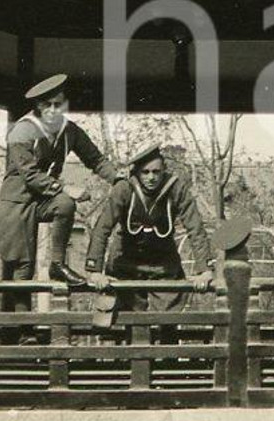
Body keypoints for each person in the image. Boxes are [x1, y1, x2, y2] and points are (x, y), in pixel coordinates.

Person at [0, 75, 120, 310]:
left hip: (43, 199)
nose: (53, 110)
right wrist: (64, 187)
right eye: (47, 105)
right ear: (38, 107)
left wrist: (119, 178)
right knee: (22, 268)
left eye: (59, 104)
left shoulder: (69, 131)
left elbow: (95, 159)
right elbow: (30, 175)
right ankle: (17, 332)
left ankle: (57, 264)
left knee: (64, 204)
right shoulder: (22, 130)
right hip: (17, 203)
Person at [84, 142, 216, 342]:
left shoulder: (176, 188)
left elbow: (195, 228)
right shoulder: (124, 189)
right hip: (127, 264)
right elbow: (102, 228)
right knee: (133, 322)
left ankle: (169, 365)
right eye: (145, 172)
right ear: (136, 172)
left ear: (164, 171)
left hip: (163, 265)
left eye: (156, 171)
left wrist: (204, 269)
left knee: (168, 319)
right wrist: (95, 271)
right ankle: (133, 366)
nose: (151, 177)